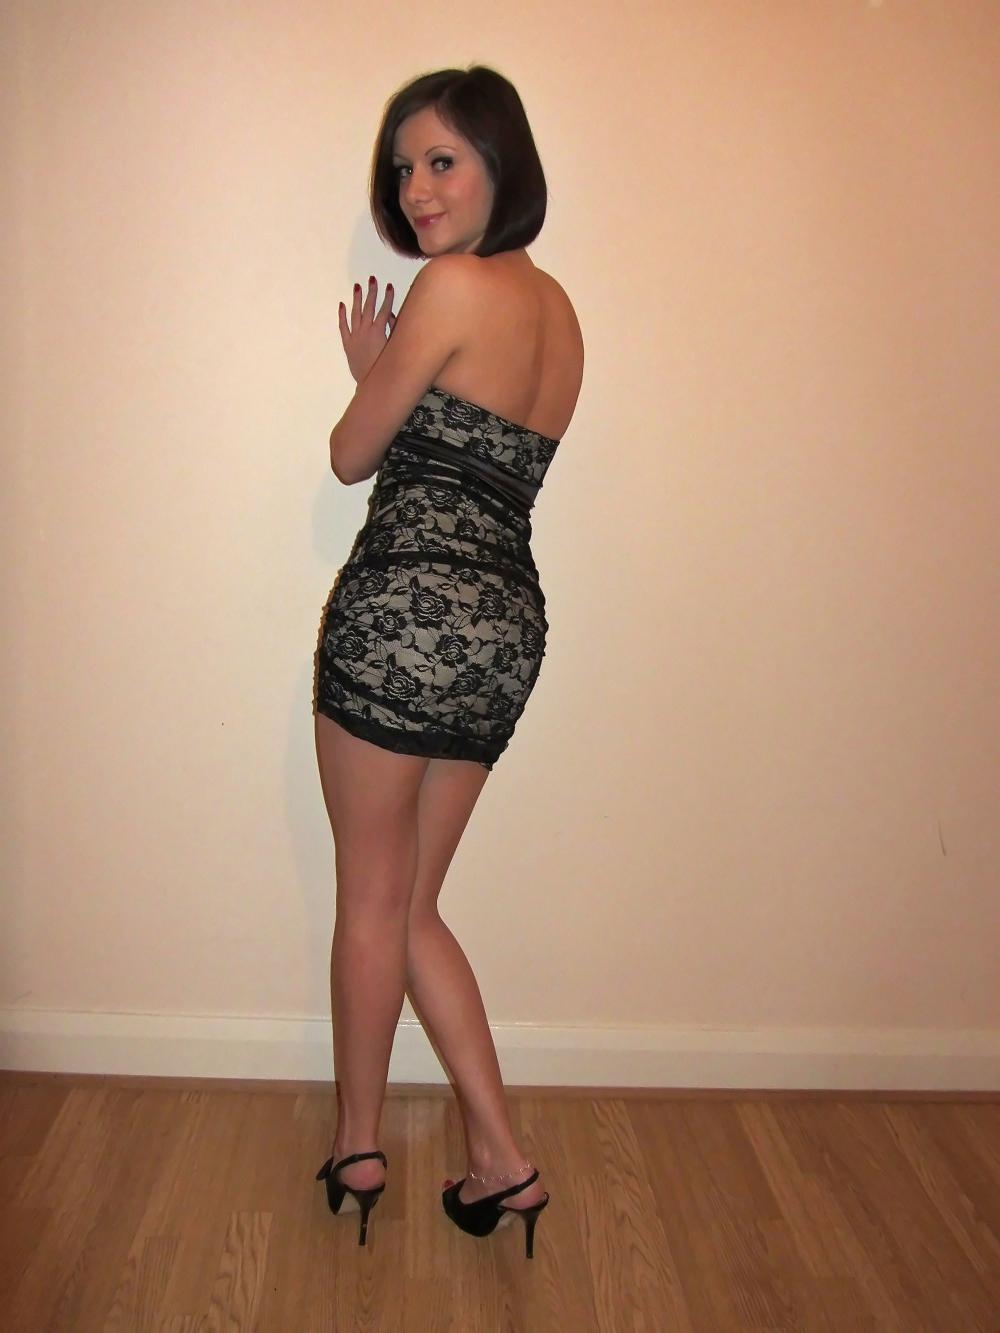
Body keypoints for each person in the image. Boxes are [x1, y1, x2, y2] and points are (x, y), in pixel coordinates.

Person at [311, 65, 584, 1255]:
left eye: (441, 161)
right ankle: (499, 1161)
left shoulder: (450, 286)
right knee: (416, 900)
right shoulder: (560, 314)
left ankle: (358, 1143)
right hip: (504, 626)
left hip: (403, 609)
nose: (417, 188)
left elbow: (350, 455)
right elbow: (481, 461)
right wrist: (401, 374)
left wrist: (375, 370)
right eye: (404, 167)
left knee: (374, 897)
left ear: (497, 163)